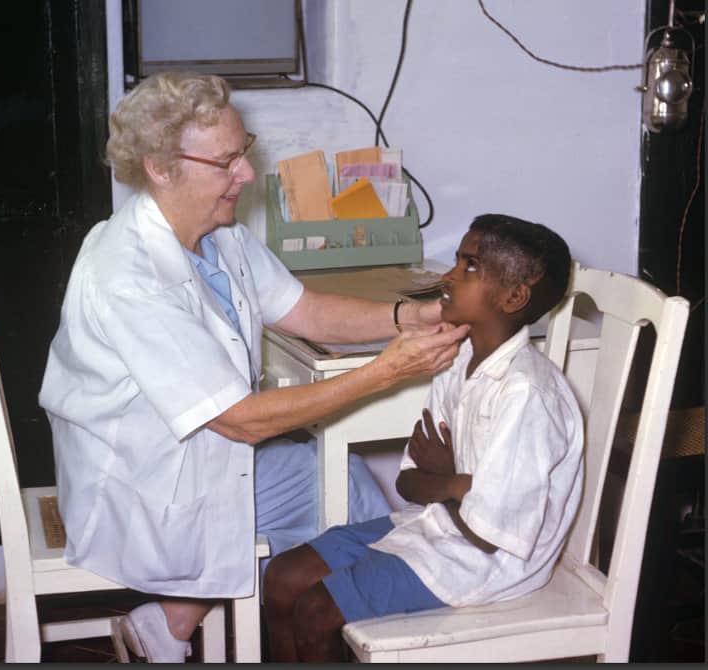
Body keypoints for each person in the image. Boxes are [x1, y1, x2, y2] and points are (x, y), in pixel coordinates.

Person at [37, 70, 470, 662]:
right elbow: (241, 422)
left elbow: (307, 311)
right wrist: (386, 372)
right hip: (143, 484)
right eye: (225, 162)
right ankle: (356, 638)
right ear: (161, 169)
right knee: (349, 506)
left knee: (342, 483)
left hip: (186, 458)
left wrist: (406, 316)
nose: (245, 173)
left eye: (243, 153)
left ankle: (179, 625)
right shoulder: (129, 275)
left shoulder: (216, 235)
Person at [262, 214, 585, 662]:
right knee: (282, 578)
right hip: (439, 526)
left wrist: (448, 480)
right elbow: (409, 483)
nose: (448, 276)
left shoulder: (526, 395)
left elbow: (489, 533)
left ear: (514, 296)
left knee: (317, 611)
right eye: (457, 261)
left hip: (489, 565)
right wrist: (458, 484)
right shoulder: (459, 359)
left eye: (469, 266)